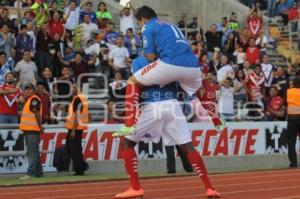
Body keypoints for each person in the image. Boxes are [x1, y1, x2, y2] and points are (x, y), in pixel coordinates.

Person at [114, 56, 221, 198]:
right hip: (173, 105)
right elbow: (198, 84)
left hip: (152, 104)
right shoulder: (174, 59)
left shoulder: (138, 61)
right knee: (188, 147)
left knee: (127, 143)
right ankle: (209, 187)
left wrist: (131, 113)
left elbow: (137, 85)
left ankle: (135, 187)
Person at [115, 6, 225, 136]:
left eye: (138, 23)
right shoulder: (170, 25)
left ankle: (129, 125)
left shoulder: (147, 27)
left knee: (132, 82)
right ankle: (217, 121)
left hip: (170, 64)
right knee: (200, 88)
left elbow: (150, 56)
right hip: (192, 65)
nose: (139, 26)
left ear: (143, 19)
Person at [19, 83, 43, 179]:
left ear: (33, 90)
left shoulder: (34, 99)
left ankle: (31, 173)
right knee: (35, 152)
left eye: (30, 89)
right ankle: (38, 172)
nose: (28, 91)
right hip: (30, 130)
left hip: (32, 130)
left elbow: (37, 113)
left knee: (31, 152)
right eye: (26, 89)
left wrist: (40, 126)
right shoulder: (30, 100)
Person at [65, 84, 89, 175]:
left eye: (74, 87)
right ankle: (81, 166)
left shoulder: (78, 99)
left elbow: (77, 115)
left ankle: (79, 169)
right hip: (74, 127)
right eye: (72, 87)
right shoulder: (78, 99)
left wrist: (74, 130)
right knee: (70, 149)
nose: (72, 89)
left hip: (76, 128)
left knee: (74, 150)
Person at [286, 77, 300, 168]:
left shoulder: (289, 91)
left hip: (291, 119)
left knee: (291, 142)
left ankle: (293, 163)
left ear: (293, 83)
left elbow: (284, 103)